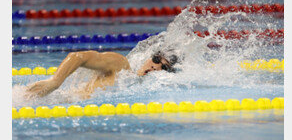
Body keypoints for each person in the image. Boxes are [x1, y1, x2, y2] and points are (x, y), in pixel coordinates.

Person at [25, 50, 178, 99]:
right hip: (46, 101)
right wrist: (55, 82)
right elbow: (78, 56)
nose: (156, 65)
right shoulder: (121, 65)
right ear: (149, 57)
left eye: (163, 67)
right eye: (156, 59)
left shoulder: (143, 90)